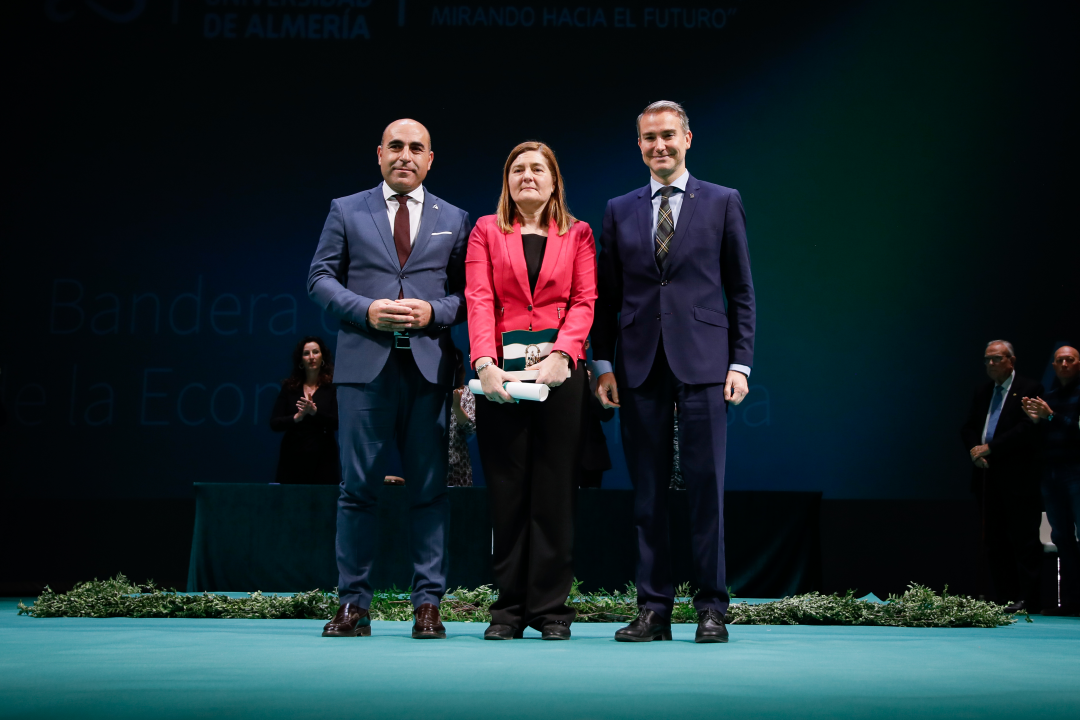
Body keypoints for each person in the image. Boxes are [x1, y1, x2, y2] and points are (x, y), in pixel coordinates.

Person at [591, 100, 756, 644]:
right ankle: (654, 610)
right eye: (648, 138)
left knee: (706, 489)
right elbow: (608, 297)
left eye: (668, 136)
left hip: (707, 362)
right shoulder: (618, 209)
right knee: (648, 494)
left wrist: (741, 362)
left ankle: (711, 608)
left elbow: (742, 291)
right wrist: (604, 362)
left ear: (688, 138)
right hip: (638, 364)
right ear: (638, 145)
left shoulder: (723, 201)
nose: (658, 146)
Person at [308, 118, 471, 639]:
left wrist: (433, 312)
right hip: (364, 369)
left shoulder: (456, 217)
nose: (405, 155)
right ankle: (354, 605)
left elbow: (470, 297)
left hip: (428, 370)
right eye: (395, 146)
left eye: (415, 148)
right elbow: (319, 278)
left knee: (430, 492)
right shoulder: (346, 209)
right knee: (357, 490)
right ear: (379, 154)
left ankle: (429, 606)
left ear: (429, 159)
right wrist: (365, 309)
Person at [465, 141, 597, 641]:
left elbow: (585, 301)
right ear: (507, 179)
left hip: (560, 379)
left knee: (554, 495)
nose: (527, 176)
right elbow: (479, 298)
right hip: (501, 379)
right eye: (518, 168)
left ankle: (551, 612)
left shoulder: (579, 233)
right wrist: (484, 363)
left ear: (553, 179)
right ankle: (508, 612)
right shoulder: (485, 231)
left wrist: (564, 356)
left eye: (537, 168)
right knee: (507, 495)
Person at [960, 340, 1044, 613]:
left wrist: (991, 448)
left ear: (1011, 360)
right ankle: (1005, 597)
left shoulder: (1029, 389)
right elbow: (969, 426)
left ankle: (1028, 598)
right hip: (985, 475)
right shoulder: (982, 391)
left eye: (996, 358)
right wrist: (975, 451)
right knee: (994, 540)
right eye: (986, 359)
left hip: (1018, 477)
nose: (990, 364)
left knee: (1023, 538)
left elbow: (1026, 429)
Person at [1022, 346, 1080, 615]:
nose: (1065, 364)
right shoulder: (1050, 397)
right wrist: (1035, 421)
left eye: (1070, 359)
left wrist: (1051, 416)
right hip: (1051, 473)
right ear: (1054, 366)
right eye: (1060, 360)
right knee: (1062, 537)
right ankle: (1069, 602)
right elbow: (1043, 438)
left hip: (1076, 472)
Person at [269, 336, 340, 485]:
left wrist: (315, 412)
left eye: (315, 352)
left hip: (324, 455)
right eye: (306, 353)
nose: (311, 357)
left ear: (323, 357)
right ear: (301, 360)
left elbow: (338, 422)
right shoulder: (290, 388)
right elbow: (274, 423)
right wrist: (296, 417)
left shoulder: (332, 388)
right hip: (293, 455)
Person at [448, 348, 476, 487]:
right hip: (429, 463)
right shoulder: (427, 393)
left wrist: (457, 407)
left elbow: (471, 428)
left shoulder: (467, 392)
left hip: (458, 467)